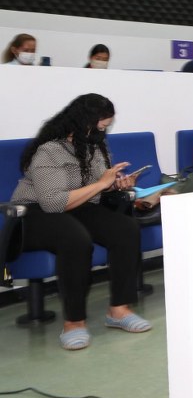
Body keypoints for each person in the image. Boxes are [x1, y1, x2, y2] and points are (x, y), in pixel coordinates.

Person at [10, 94, 151, 350]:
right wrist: (101, 184)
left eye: (106, 127)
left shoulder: (95, 146)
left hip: (78, 206)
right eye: (101, 125)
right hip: (34, 213)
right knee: (75, 239)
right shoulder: (49, 151)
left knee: (126, 229)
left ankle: (119, 310)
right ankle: (74, 323)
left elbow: (94, 188)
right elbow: (53, 203)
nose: (103, 131)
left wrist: (115, 184)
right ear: (83, 121)